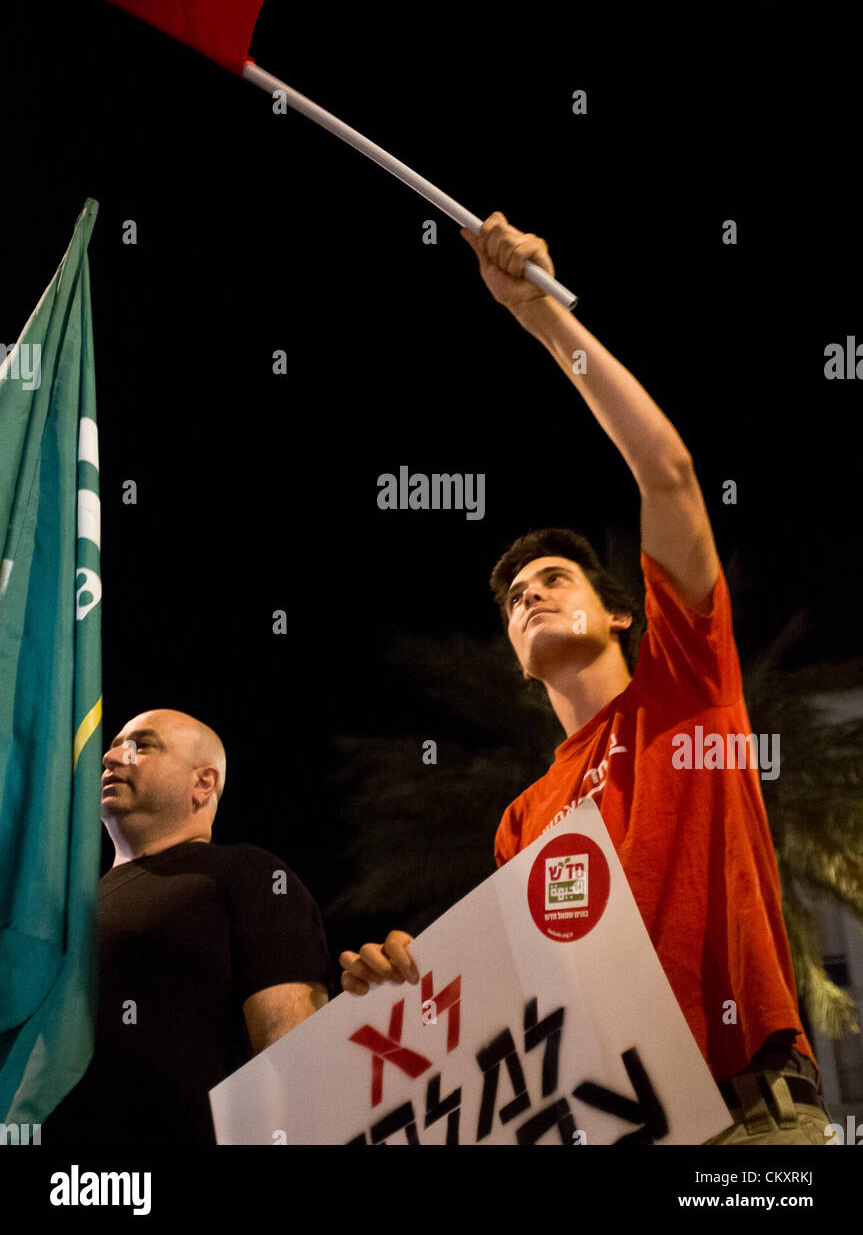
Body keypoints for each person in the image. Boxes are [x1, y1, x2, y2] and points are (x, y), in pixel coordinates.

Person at [339, 212, 832, 1147]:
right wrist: (402, 990)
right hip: (609, 1127)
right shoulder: (521, 821)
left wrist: (542, 322)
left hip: (743, 1113)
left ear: (619, 615)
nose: (528, 598)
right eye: (514, 598)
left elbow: (670, 474)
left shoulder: (687, 689)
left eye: (552, 580)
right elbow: (519, 1000)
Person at [43, 708, 331, 1145]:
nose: (111, 757)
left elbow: (294, 1051)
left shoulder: (246, 874)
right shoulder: (64, 913)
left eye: (141, 746)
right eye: (114, 747)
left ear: (203, 783)